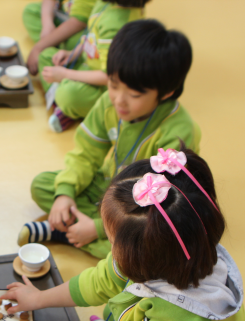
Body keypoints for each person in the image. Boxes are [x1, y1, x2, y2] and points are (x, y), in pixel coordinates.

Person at [4, 149, 245, 321]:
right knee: (115, 304)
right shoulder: (180, 249)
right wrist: (38, 298)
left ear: (141, 257)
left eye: (111, 241)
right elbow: (98, 282)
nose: (110, 250)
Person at [18, 19, 200, 259]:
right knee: (44, 185)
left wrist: (98, 227)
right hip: (106, 187)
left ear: (166, 92)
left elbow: (162, 205)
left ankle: (70, 232)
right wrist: (65, 193)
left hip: (144, 210)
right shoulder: (108, 103)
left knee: (151, 247)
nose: (118, 100)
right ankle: (89, 235)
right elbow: (86, 153)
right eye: (113, 85)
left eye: (134, 94)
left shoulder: (179, 133)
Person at [39, 0, 148, 133]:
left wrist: (66, 74)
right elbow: (91, 35)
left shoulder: (116, 23)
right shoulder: (103, 4)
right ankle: (65, 107)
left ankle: (69, 109)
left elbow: (110, 76)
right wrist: (73, 54)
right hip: (88, 66)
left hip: (105, 86)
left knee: (68, 95)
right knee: (46, 56)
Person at [22, 0, 96, 53]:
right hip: (61, 16)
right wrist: (47, 24)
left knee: (81, 41)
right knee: (31, 11)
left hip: (79, 29)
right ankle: (50, 48)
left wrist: (38, 48)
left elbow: (78, 23)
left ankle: (51, 52)